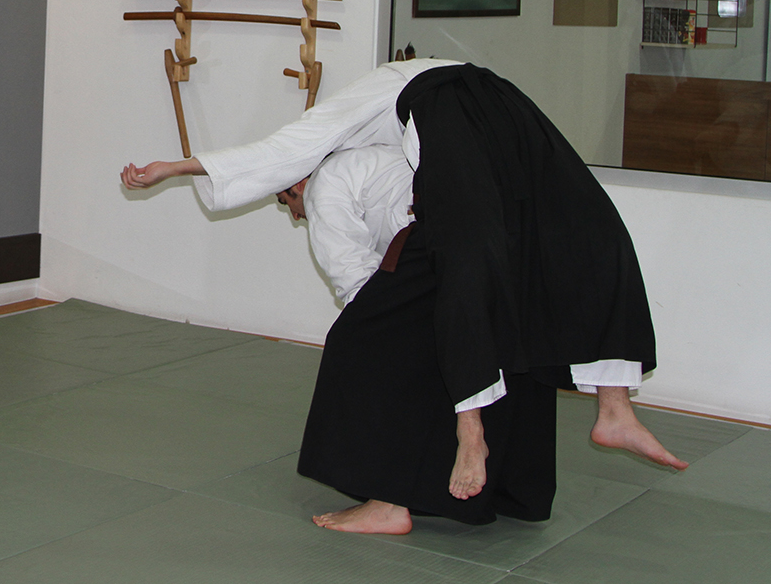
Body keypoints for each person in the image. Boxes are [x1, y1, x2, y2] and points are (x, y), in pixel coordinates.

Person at [121, 58, 685, 534]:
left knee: (379, 334)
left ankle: (450, 452)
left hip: (454, 132)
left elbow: (286, 157)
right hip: (504, 110)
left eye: (286, 200)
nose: (295, 213)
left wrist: (175, 167)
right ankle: (609, 411)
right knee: (586, 228)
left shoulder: (331, 166)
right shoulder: (395, 144)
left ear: (293, 182)